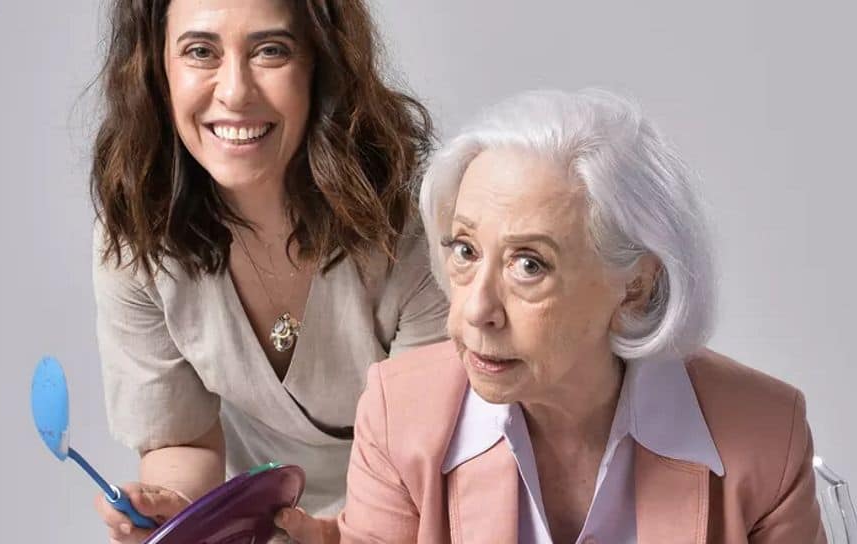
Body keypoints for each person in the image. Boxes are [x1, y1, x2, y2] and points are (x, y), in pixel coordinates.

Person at [278, 88, 828, 543]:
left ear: (636, 286)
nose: (475, 311)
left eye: (529, 265)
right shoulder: (399, 412)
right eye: (465, 250)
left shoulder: (764, 435)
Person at [88, 0, 447, 541]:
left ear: (321, 66)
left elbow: (424, 463)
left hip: (421, 513)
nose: (234, 91)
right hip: (261, 524)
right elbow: (182, 441)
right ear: (156, 69)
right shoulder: (135, 241)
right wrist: (179, 514)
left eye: (271, 51)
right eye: (200, 51)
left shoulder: (419, 234)